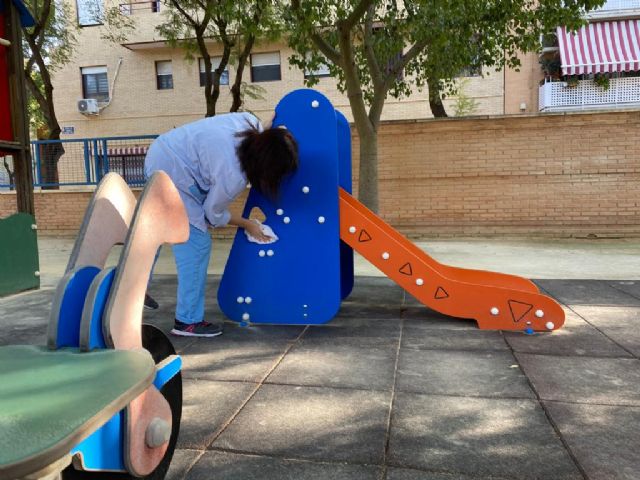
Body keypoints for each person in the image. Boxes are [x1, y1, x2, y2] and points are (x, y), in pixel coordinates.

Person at [144, 112, 299, 337]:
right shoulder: (232, 176)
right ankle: (187, 321)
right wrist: (248, 224)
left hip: (162, 149)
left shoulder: (249, 121)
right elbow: (212, 215)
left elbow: (267, 125)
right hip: (175, 173)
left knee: (154, 231)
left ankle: (135, 290)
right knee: (196, 243)